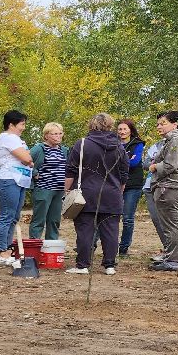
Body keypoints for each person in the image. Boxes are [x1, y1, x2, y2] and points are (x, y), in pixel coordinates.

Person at [63, 114, 129, 275]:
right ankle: (109, 265)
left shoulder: (82, 144)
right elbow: (124, 173)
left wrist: (66, 191)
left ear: (91, 125)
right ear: (110, 125)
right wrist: (118, 191)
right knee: (111, 230)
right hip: (112, 193)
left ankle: (83, 265)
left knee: (85, 229)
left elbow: (71, 169)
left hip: (87, 193)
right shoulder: (119, 146)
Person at [146, 110, 178, 271]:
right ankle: (172, 256)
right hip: (171, 187)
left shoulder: (176, 141)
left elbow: (171, 165)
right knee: (173, 224)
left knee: (172, 225)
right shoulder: (172, 140)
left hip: (171, 187)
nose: (159, 127)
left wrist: (154, 167)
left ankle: (173, 260)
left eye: (163, 123)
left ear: (175, 124)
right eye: (158, 124)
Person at [0, 111, 34, 266]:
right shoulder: (9, 138)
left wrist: (28, 160)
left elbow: (28, 159)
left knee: (14, 217)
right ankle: (2, 252)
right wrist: (27, 159)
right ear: (11, 124)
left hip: (18, 180)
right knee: (6, 216)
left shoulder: (15, 139)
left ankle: (7, 250)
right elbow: (27, 158)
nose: (24, 128)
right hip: (8, 179)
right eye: (22, 124)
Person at [28, 122, 66, 242]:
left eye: (60, 133)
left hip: (59, 190)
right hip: (43, 189)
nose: (58, 136)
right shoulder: (39, 149)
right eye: (54, 134)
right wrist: (34, 173)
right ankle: (34, 245)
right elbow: (24, 161)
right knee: (39, 219)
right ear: (46, 135)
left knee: (54, 220)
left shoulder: (64, 150)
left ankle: (51, 246)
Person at [116, 119, 146, 258]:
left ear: (130, 130)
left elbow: (134, 162)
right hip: (115, 184)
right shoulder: (113, 143)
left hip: (132, 184)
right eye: (120, 129)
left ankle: (124, 248)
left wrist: (120, 160)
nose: (122, 132)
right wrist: (126, 158)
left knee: (127, 217)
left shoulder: (137, 143)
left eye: (125, 129)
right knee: (109, 215)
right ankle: (94, 244)